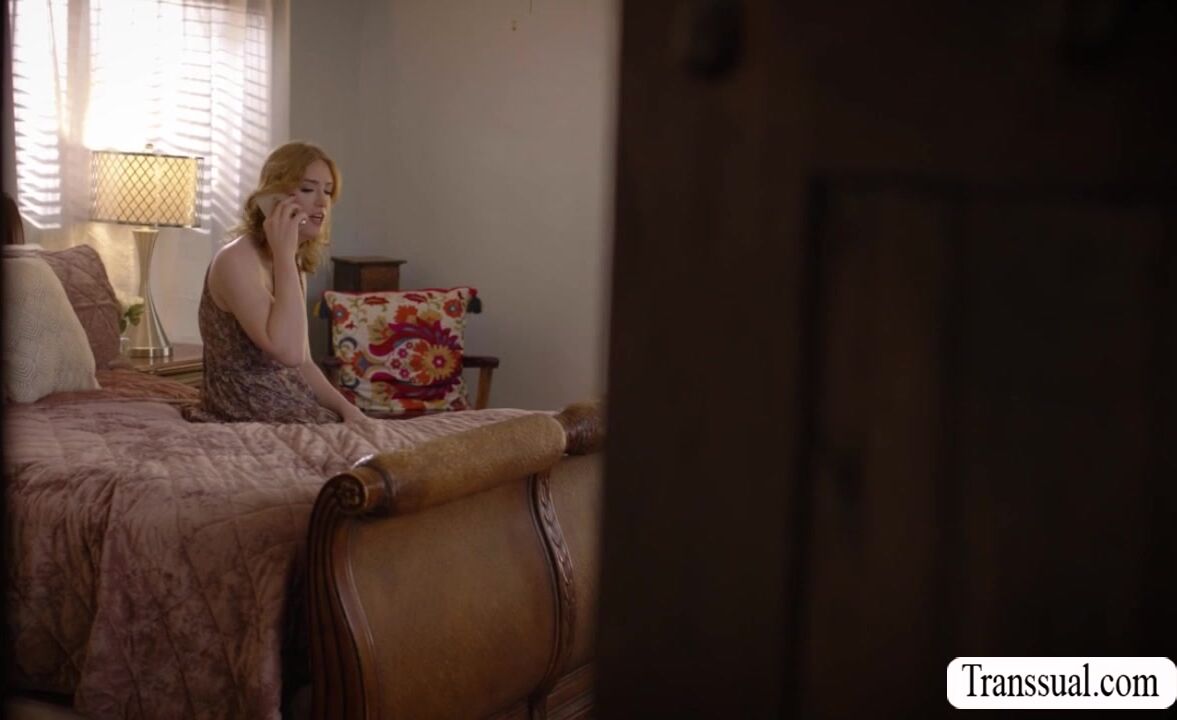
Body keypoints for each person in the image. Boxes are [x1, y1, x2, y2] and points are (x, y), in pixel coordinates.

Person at [185, 141, 367, 424]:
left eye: (328, 191)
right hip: (241, 407)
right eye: (307, 189)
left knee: (370, 437)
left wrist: (349, 411)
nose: (322, 203)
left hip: (289, 399)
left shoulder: (291, 260)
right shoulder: (236, 260)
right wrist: (284, 255)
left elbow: (304, 362)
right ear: (273, 197)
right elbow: (289, 353)